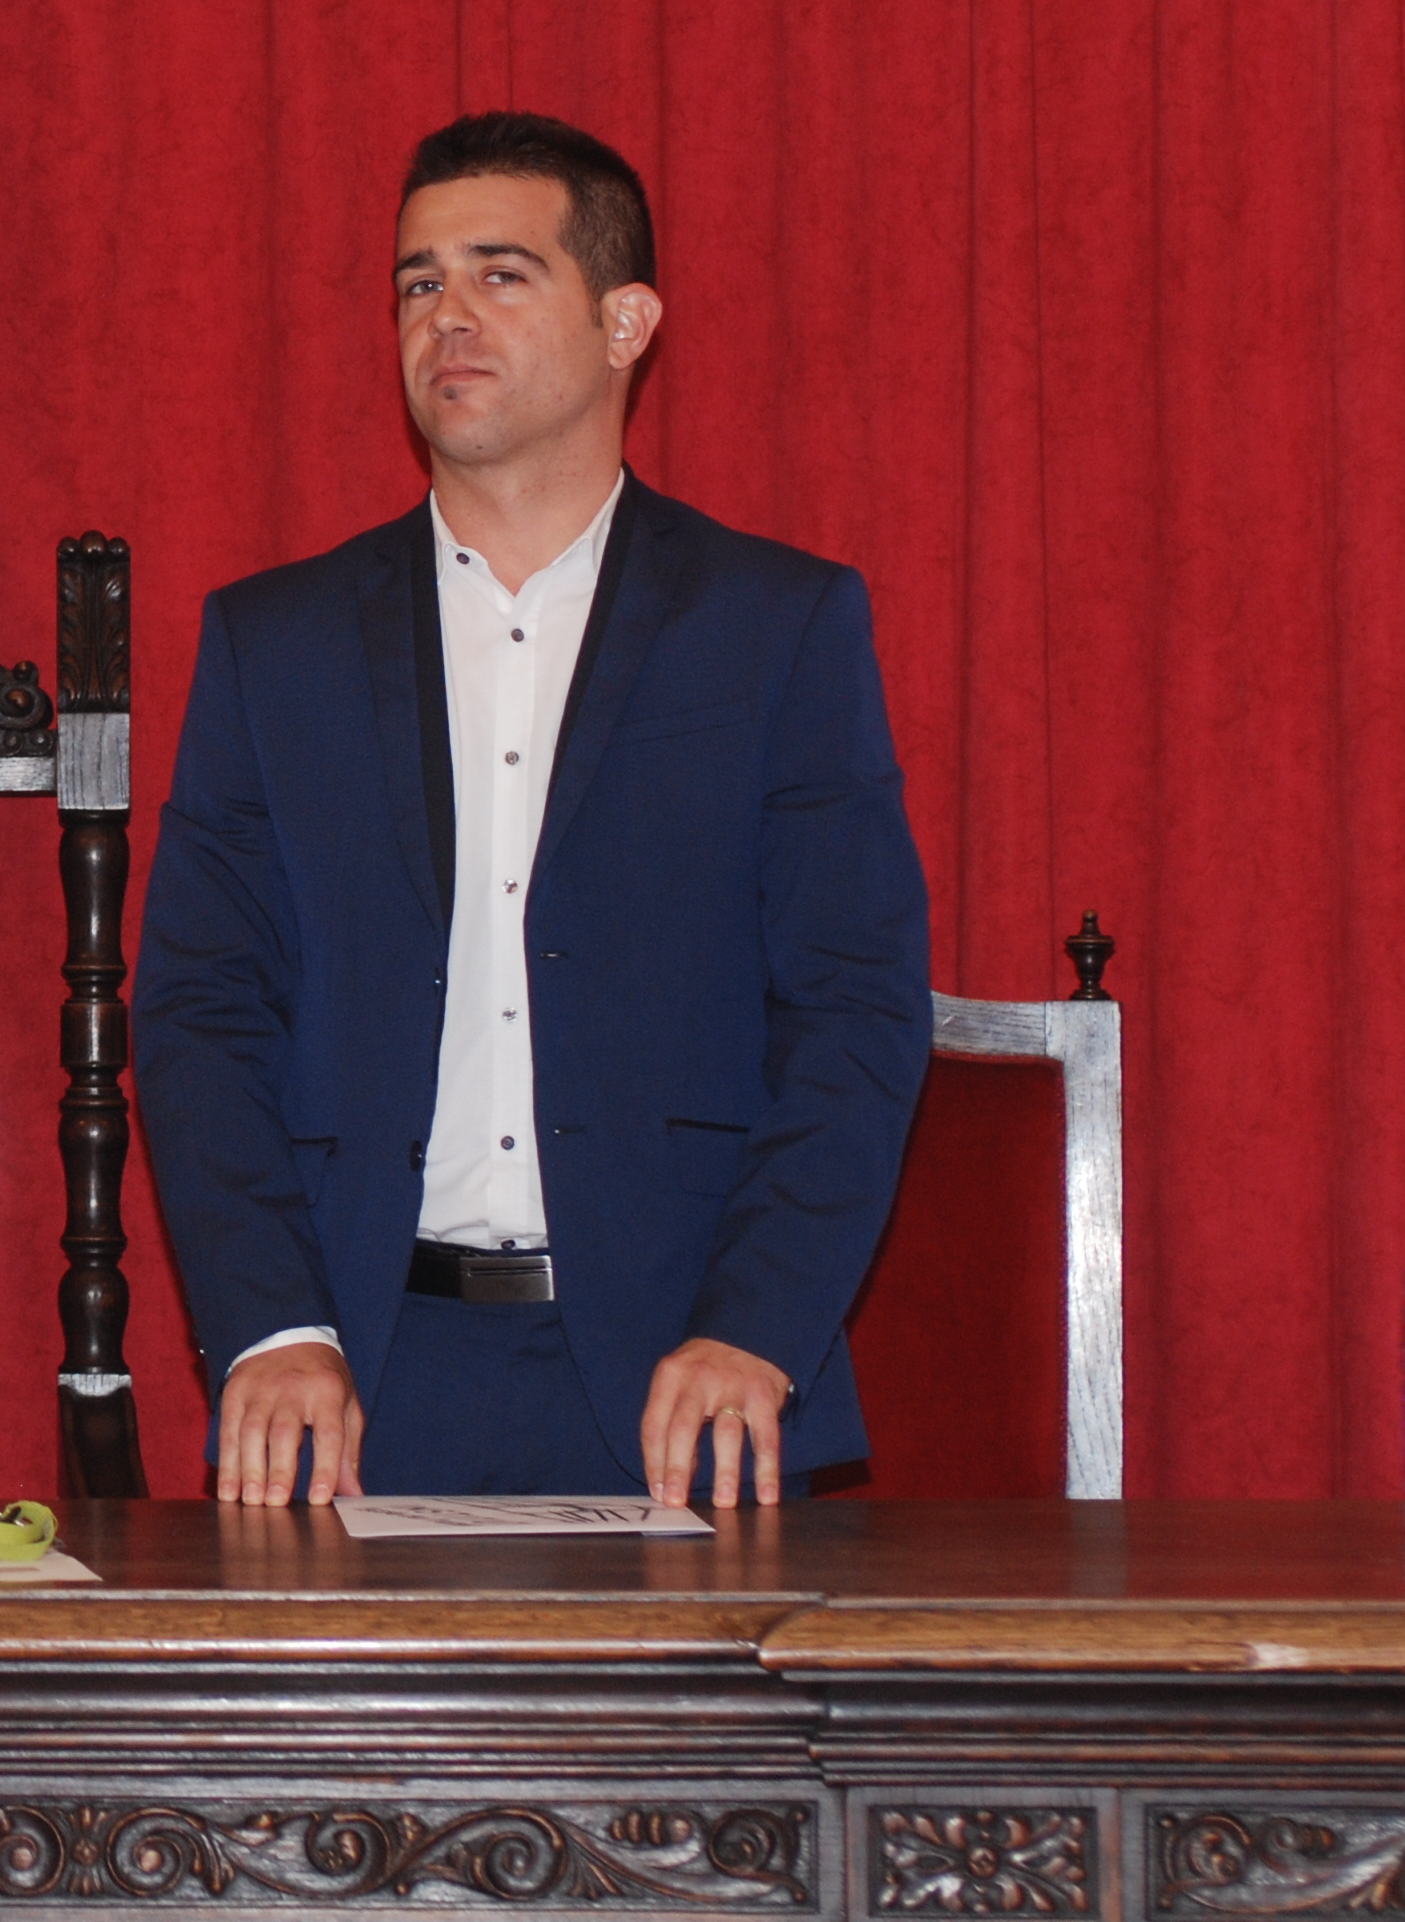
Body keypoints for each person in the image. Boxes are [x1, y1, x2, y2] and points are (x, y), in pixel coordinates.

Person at [133, 113, 929, 1509]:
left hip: (690, 1378)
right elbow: (200, 1011)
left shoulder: (775, 626)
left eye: (500, 274)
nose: (446, 315)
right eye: (417, 281)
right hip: (352, 1377)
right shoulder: (276, 644)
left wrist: (756, 1325)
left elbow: (854, 1009)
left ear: (626, 322)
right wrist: (272, 1325)